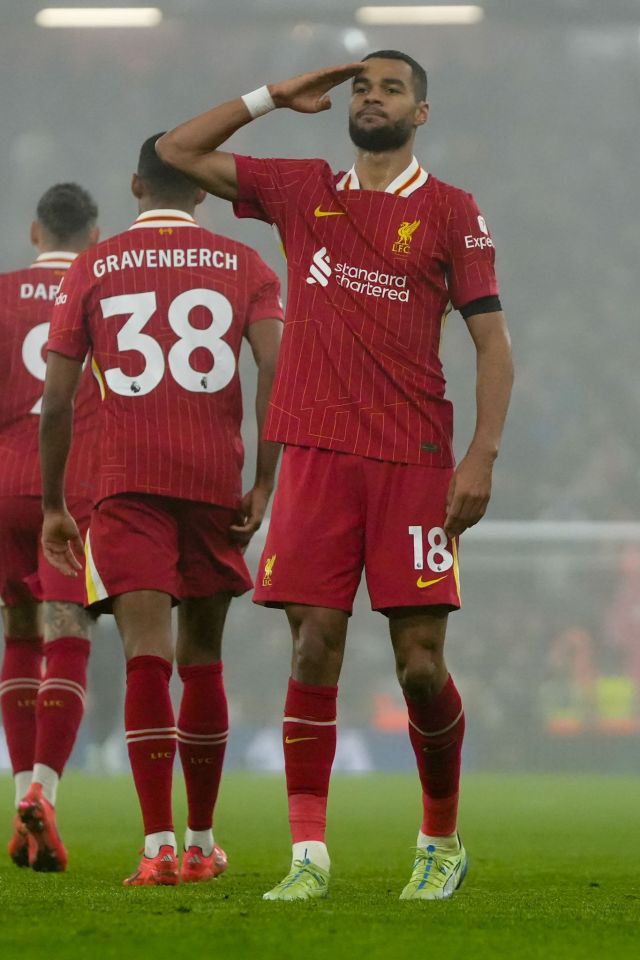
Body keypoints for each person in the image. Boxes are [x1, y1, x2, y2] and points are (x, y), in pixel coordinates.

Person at [157, 49, 514, 902]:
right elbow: (175, 150)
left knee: (420, 665)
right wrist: (271, 96)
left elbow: (492, 345)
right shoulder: (303, 187)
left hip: (414, 460)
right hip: (316, 455)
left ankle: (440, 838)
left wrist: (481, 457)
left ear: (420, 113)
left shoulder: (452, 210)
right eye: (361, 85)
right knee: (313, 645)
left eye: (391, 88)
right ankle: (308, 855)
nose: (371, 97)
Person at [39, 135, 284, 886]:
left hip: (127, 480)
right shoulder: (246, 265)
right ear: (203, 193)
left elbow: (55, 399)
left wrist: (55, 502)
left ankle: (156, 851)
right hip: (214, 478)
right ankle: (205, 843)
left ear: (136, 187)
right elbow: (276, 363)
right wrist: (265, 481)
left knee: (144, 653)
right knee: (201, 656)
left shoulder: (91, 267)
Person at [0, 183, 99, 872]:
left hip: (3, 479)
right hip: (72, 481)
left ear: (37, 233)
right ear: (92, 236)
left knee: (18, 629)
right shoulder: (102, 288)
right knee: (70, 634)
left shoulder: (1, 293)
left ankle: (18, 808)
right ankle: (44, 789)